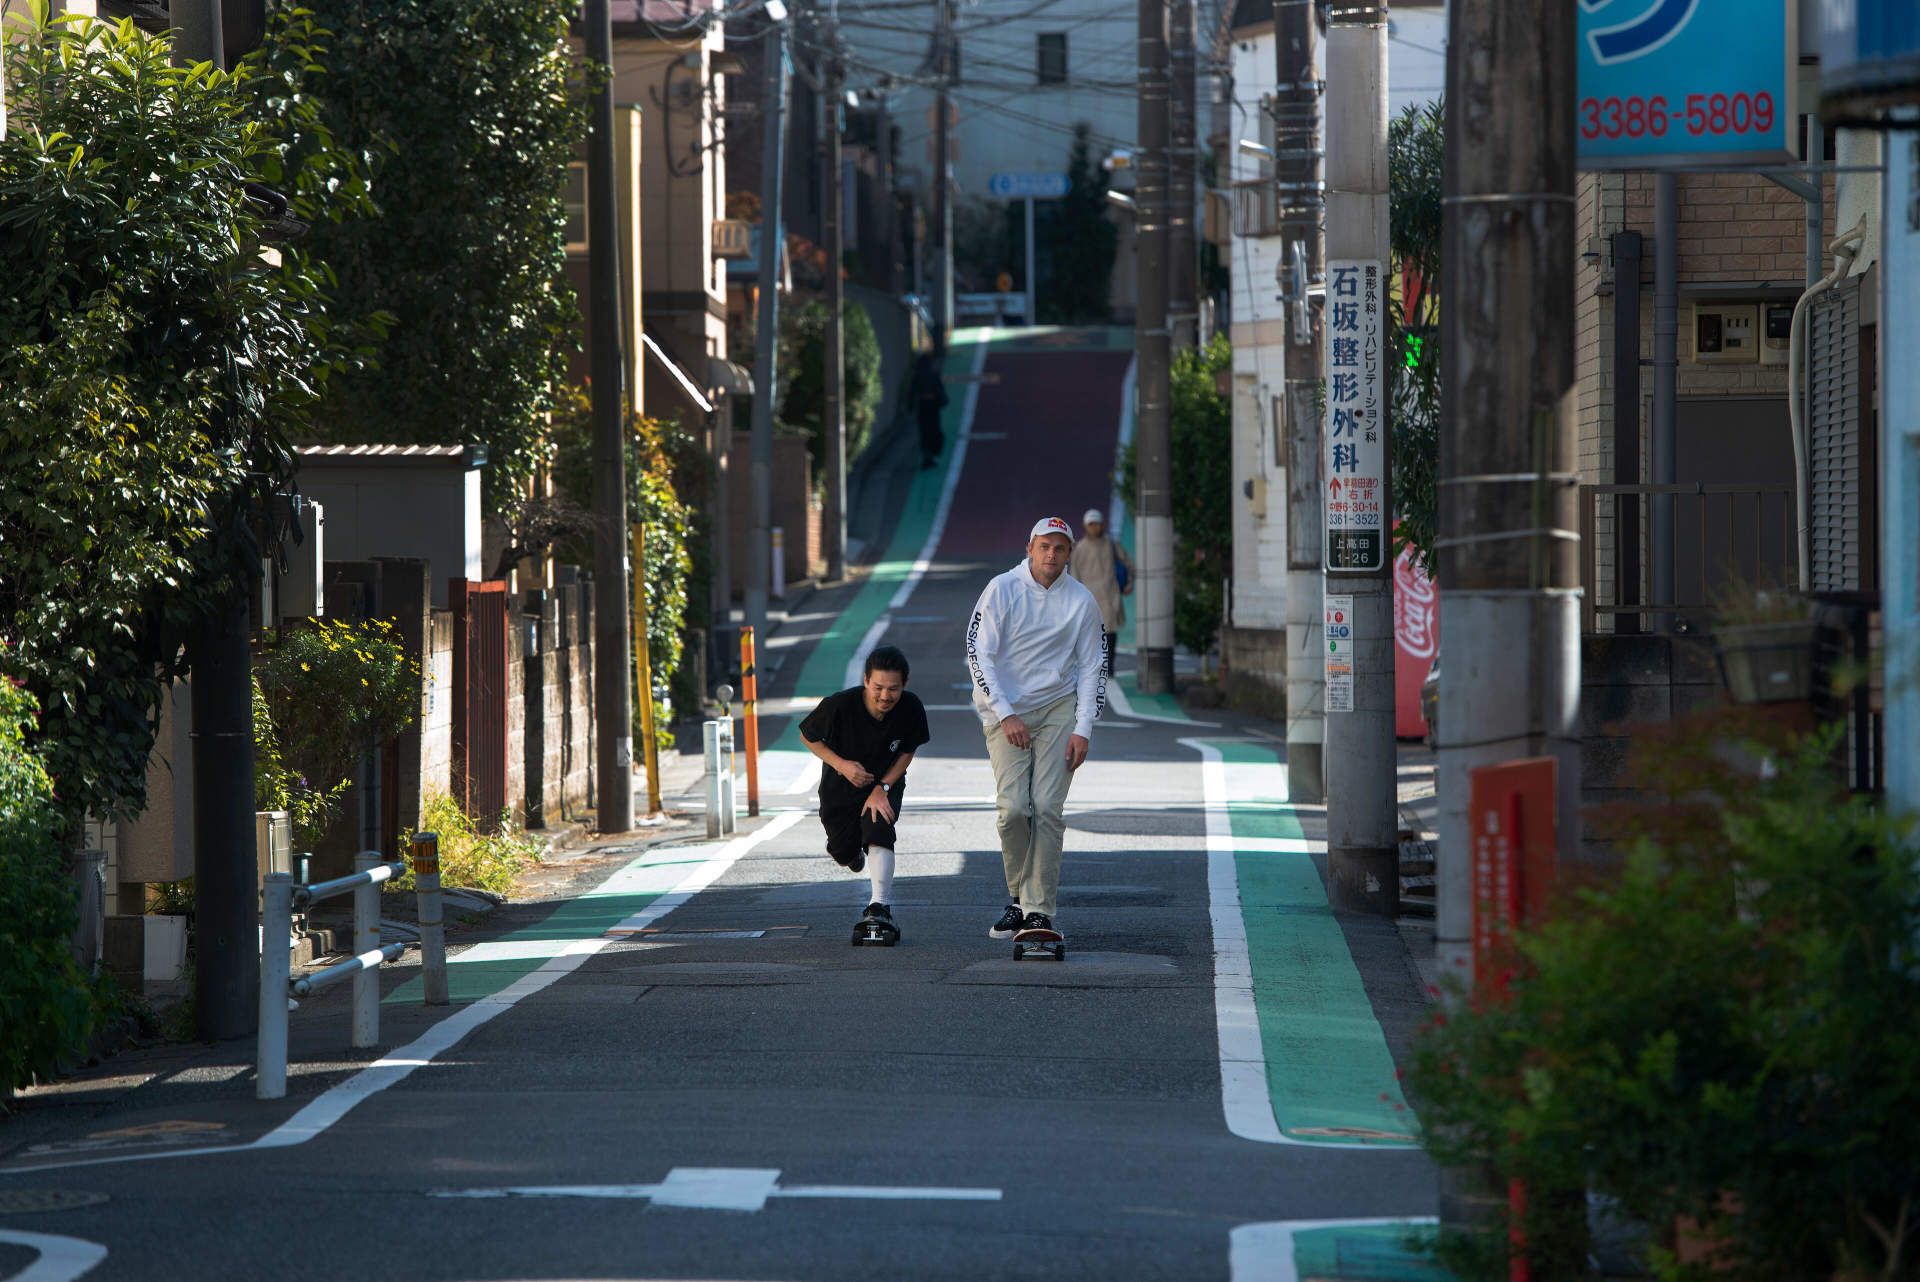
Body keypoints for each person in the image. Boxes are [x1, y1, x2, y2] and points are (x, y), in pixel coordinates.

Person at [966, 516, 1107, 942]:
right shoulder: (1001, 590)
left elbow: (1092, 666)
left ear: (1069, 554)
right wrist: (1006, 713)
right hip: (1002, 709)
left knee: (1046, 807)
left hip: (1058, 707)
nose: (1051, 555)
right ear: (1030, 548)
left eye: (1060, 548)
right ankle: (1018, 898)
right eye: (1044, 546)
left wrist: (1083, 728)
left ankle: (1038, 911)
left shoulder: (1081, 601)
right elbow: (978, 653)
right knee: (1013, 810)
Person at [798, 645, 930, 940]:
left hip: (884, 782)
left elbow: (908, 751)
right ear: (866, 681)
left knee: (878, 824)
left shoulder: (911, 707)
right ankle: (851, 856)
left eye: (893, 689)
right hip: (840, 788)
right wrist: (842, 765)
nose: (885, 696)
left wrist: (882, 787)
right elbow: (807, 735)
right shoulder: (839, 706)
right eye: (879, 687)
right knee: (841, 849)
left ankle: (879, 905)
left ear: (904, 685)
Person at [1067, 507, 1132, 676]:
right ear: (1086, 526)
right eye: (1091, 524)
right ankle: (1095, 666)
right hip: (1089, 597)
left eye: (1097, 524)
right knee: (1091, 634)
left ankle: (1109, 666)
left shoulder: (1111, 544)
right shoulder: (1079, 549)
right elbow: (1074, 575)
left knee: (1110, 632)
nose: (1095, 527)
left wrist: (1128, 582)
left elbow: (1127, 562)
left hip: (1110, 595)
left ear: (1102, 525)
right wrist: (1075, 598)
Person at [912, 349, 949, 469]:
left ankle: (927, 456)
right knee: (935, 429)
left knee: (924, 431)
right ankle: (933, 455)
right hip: (933, 406)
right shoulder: (933, 374)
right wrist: (942, 401)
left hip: (922, 406)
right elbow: (939, 389)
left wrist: (910, 406)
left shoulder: (917, 375)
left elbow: (911, 392)